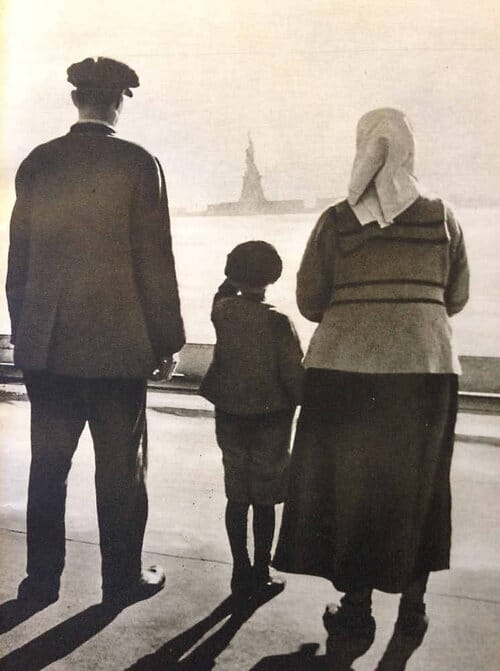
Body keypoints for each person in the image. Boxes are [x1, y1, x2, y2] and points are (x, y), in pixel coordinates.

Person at [273, 108, 470, 638]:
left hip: (345, 372)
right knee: (421, 485)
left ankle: (356, 606)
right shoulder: (443, 217)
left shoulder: (337, 219)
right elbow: (457, 296)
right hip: (426, 371)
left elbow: (311, 301)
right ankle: (414, 605)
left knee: (351, 487)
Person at [6, 57, 185, 605]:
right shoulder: (137, 163)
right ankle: (120, 581)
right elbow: (155, 260)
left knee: (48, 468)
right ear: (119, 101)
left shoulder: (38, 162)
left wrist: (29, 334)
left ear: (75, 99)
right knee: (120, 472)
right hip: (117, 349)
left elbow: (19, 264)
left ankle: (41, 582)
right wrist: (167, 340)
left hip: (49, 349)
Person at [199, 241, 304, 602]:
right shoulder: (278, 322)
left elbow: (221, 293)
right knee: (265, 498)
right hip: (270, 419)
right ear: (274, 278)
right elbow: (295, 378)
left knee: (236, 492)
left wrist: (232, 276)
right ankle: (261, 570)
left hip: (228, 413)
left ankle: (238, 568)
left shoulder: (223, 311)